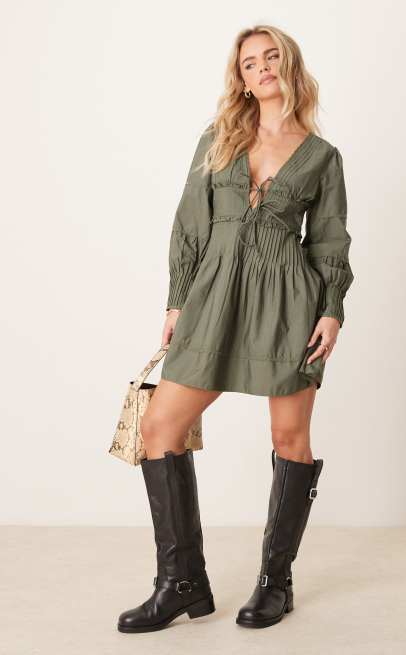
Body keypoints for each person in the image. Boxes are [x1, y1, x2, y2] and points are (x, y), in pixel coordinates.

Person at [117, 24, 354, 633]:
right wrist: (178, 301)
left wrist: (330, 309)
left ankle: (276, 584)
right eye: (250, 63)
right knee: (160, 425)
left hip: (288, 305)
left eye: (272, 57)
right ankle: (181, 583)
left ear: (288, 66)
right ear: (241, 79)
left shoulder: (322, 156)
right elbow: (189, 224)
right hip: (215, 297)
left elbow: (329, 241)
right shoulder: (218, 138)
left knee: (289, 436)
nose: (262, 67)